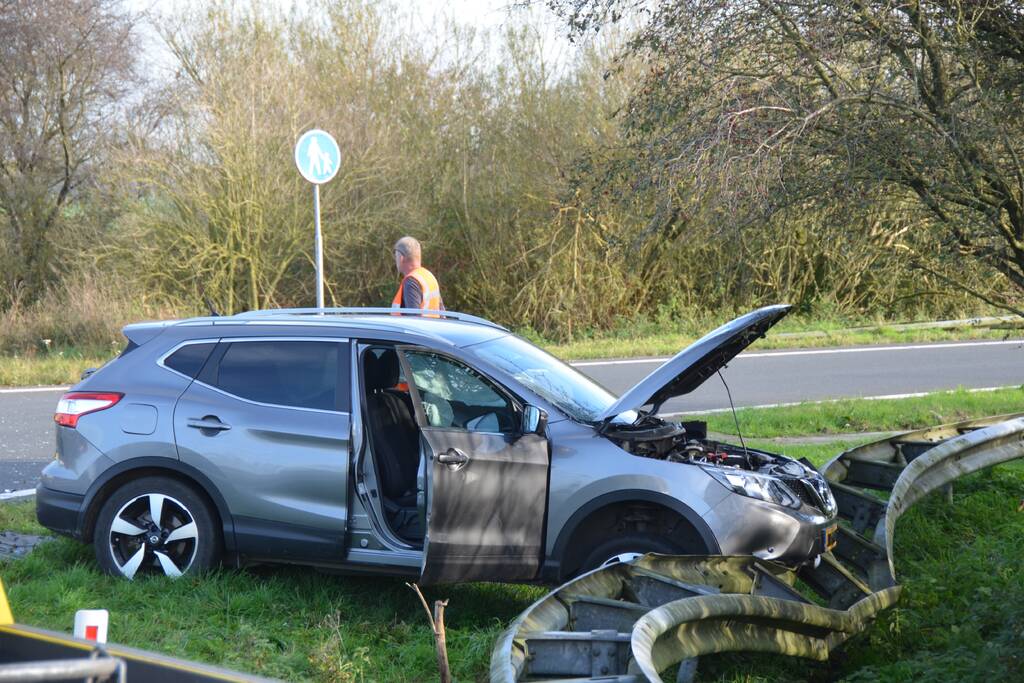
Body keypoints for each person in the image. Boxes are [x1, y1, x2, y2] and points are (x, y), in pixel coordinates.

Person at [392, 236, 444, 311]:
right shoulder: (429, 276)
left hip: (422, 323)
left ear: (401, 258)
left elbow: (414, 319)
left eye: (396, 256)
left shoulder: (411, 282)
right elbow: (442, 313)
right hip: (433, 322)